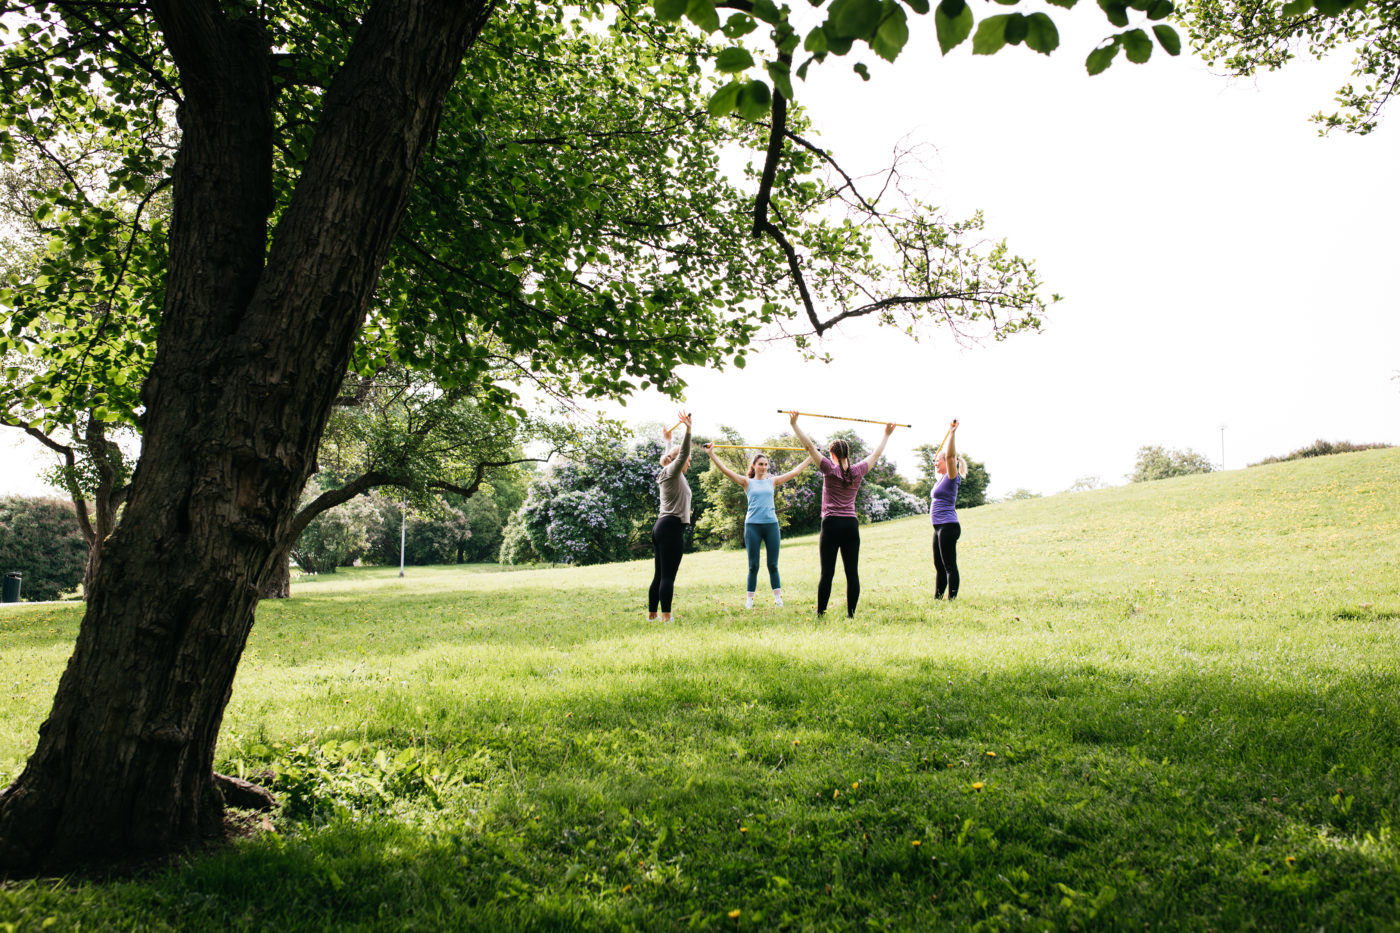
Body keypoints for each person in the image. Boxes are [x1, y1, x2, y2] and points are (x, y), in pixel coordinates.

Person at [789, 411, 897, 619]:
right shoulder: (858, 470)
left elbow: (809, 447)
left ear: (832, 454)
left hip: (831, 525)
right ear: (848, 452)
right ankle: (850, 616)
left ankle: (821, 615)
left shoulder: (829, 468)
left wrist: (795, 425)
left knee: (827, 573)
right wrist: (886, 435)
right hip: (850, 525)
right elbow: (875, 454)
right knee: (852, 573)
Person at [703, 443, 814, 609]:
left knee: (773, 565)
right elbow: (726, 471)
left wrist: (812, 455)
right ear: (753, 466)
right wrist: (711, 455)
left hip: (771, 526)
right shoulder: (746, 482)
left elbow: (795, 471)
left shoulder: (773, 481)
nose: (763, 467)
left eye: (766, 464)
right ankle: (749, 600)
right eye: (760, 464)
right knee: (753, 565)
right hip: (752, 527)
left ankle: (778, 599)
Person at [648, 412, 693, 622]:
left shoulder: (667, 472)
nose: (689, 464)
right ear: (678, 461)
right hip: (671, 527)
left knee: (659, 574)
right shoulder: (674, 472)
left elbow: (673, 457)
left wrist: (668, 442)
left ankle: (652, 615)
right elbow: (681, 455)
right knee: (667, 576)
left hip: (661, 526)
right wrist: (688, 430)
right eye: (689, 461)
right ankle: (666, 617)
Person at [930, 419, 965, 600]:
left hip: (948, 525)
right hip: (938, 527)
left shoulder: (952, 477)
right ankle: (937, 599)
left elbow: (951, 456)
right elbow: (942, 461)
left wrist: (952, 433)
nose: (935, 463)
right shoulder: (941, 479)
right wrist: (937, 460)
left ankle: (951, 600)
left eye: (938, 460)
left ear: (946, 462)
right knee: (939, 565)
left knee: (949, 565)